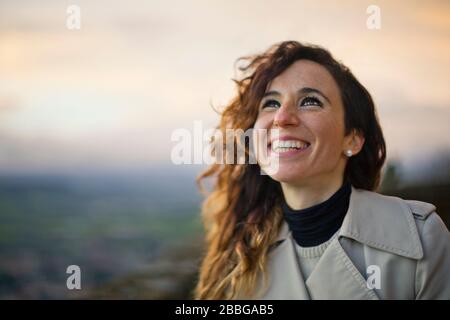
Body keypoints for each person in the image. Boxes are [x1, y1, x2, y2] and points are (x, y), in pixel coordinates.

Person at [194, 41, 450, 300]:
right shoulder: (238, 259)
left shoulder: (421, 238)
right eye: (270, 103)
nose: (282, 118)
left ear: (352, 139)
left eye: (309, 101)